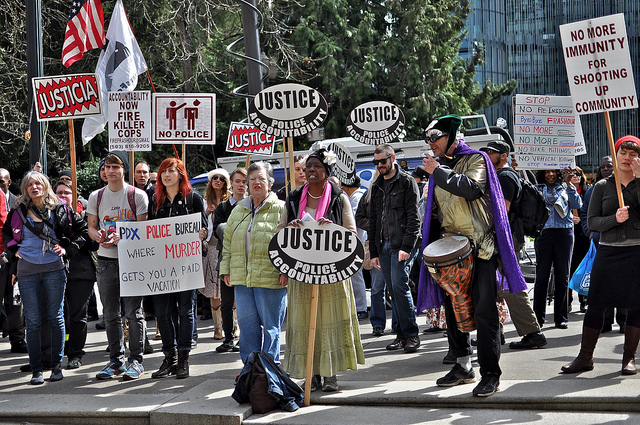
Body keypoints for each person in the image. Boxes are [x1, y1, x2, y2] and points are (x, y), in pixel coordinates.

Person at [418, 115, 526, 397]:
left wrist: (437, 172)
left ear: (451, 136)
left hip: (480, 249)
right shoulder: (441, 166)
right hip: (450, 252)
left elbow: (470, 188)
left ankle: (491, 373)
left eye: (435, 138)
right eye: (428, 139)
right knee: (453, 311)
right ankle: (463, 365)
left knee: (484, 312)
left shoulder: (477, 159)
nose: (431, 144)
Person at [279, 149, 365, 392]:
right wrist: (291, 227)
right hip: (302, 274)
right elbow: (280, 232)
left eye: (316, 166)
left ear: (327, 171)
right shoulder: (294, 198)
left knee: (330, 322)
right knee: (305, 324)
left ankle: (330, 375)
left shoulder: (339, 198)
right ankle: (311, 374)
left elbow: (352, 234)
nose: (310, 170)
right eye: (308, 167)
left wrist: (334, 228)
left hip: (332, 275)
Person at [562, 135, 640, 375]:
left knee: (636, 307)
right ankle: (585, 357)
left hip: (637, 252)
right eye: (623, 153)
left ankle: (629, 359)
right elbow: (591, 221)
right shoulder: (602, 186)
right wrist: (613, 219)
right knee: (596, 305)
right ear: (616, 156)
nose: (627, 158)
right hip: (608, 252)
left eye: (633, 153)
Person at [3, 171, 88, 385]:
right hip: (27, 270)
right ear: (25, 189)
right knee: (31, 321)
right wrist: (13, 252)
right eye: (30, 184)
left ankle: (57, 366)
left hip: (54, 269)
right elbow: (5, 234)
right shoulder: (18, 209)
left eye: (38, 183)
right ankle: (37, 369)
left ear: (46, 186)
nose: (35, 187)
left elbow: (83, 230)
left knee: (55, 316)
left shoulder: (60, 208)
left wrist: (67, 248)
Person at [87, 151, 149, 381]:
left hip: (131, 260)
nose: (110, 171)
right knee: (111, 314)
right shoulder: (97, 196)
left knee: (134, 313)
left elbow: (142, 232)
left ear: (124, 169)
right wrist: (97, 235)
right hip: (105, 261)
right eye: (107, 167)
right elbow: (91, 227)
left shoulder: (137, 195)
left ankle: (137, 359)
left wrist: (122, 237)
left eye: (115, 166)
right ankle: (116, 360)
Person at [480, 141, 547, 350]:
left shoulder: (506, 176)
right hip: (502, 237)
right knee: (494, 286)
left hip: (505, 238)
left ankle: (533, 333)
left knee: (510, 286)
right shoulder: (499, 175)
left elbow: (503, 210)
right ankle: (495, 332)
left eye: (491, 153)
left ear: (504, 156)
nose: (486, 155)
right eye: (485, 152)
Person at [219, 162, 286, 363]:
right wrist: (226, 270)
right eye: (253, 179)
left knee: (271, 327)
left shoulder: (281, 209)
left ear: (270, 183)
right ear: (247, 183)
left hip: (270, 277)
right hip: (242, 279)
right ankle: (250, 371)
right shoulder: (239, 210)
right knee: (247, 329)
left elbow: (287, 245)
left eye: (261, 179)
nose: (256, 182)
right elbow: (228, 242)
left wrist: (286, 270)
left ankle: (270, 371)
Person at [148, 158, 207, 379]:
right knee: (163, 313)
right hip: (161, 267)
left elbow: (204, 228)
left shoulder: (193, 199)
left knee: (185, 311)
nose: (166, 175)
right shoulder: (156, 201)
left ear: (181, 174)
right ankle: (169, 356)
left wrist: (202, 235)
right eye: (163, 171)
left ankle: (184, 358)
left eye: (171, 171)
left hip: (186, 267)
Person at [369, 144, 421, 352]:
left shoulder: (407, 181)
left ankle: (411, 334)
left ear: (392, 159)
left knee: (400, 286)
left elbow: (414, 219)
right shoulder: (377, 185)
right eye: (376, 162)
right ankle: (400, 335)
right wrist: (373, 252)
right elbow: (373, 220)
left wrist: (407, 247)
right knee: (392, 290)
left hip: (402, 244)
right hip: (383, 245)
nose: (380, 165)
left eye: (383, 161)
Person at [53, 180, 98, 370]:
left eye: (67, 193)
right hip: (55, 270)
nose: (63, 196)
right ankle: (58, 349)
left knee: (77, 315)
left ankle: (75, 353)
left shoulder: (86, 215)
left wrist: (82, 227)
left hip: (81, 272)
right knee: (58, 313)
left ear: (74, 196)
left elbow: (94, 244)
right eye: (59, 193)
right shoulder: (50, 215)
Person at [579, 156, 626, 325]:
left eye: (609, 166)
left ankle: (623, 320)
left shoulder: (625, 187)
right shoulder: (594, 190)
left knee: (622, 284)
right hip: (601, 243)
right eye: (603, 167)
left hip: (623, 243)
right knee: (604, 285)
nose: (606, 169)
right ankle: (605, 322)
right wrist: (590, 233)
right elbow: (585, 214)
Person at [533, 169, 582, 329]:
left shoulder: (566, 186)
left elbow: (576, 204)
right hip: (544, 233)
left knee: (562, 276)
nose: (551, 174)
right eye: (547, 172)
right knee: (541, 277)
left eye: (554, 171)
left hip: (564, 232)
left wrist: (569, 185)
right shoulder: (537, 187)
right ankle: (538, 318)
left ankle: (561, 318)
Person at [211, 168, 247, 353]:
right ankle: (228, 337)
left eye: (244, 181)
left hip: (247, 260)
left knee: (244, 301)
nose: (241, 185)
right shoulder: (223, 207)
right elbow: (218, 229)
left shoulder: (251, 205)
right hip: (227, 259)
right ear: (231, 183)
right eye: (238, 181)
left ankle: (245, 337)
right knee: (226, 302)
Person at [200, 169, 230, 340]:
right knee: (214, 290)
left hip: (227, 247)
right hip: (211, 247)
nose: (218, 181)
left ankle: (232, 325)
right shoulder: (205, 202)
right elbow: (199, 224)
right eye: (214, 178)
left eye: (221, 179)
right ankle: (218, 328)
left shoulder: (230, 201)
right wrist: (208, 213)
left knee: (230, 285)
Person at [0, 168, 25, 353]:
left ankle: (17, 339)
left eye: (2, 180)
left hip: (14, 260)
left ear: (9, 182)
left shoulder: (18, 203)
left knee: (16, 302)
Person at [339, 175, 368, 320]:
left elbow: (354, 221)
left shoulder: (356, 198)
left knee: (356, 276)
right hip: (360, 241)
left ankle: (361, 307)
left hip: (357, 242)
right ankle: (359, 306)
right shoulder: (362, 194)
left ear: (348, 187)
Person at [568, 167, 591, 313]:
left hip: (584, 235)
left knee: (584, 268)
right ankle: (568, 300)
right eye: (572, 174)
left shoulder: (587, 190)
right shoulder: (564, 190)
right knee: (570, 267)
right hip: (569, 233)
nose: (575, 176)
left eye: (578, 174)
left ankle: (584, 300)